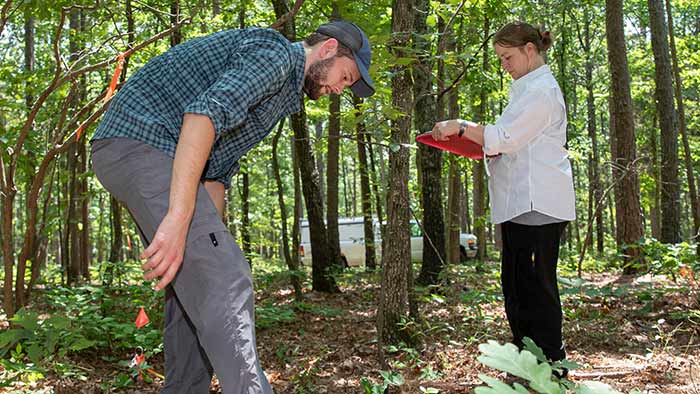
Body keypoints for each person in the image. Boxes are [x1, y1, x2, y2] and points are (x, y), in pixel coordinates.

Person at [90, 20, 375, 393]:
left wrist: (210, 244)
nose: (340, 89)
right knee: (226, 279)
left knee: (197, 284)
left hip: (144, 150)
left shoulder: (279, 95)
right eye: (346, 75)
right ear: (327, 49)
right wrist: (179, 222)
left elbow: (214, 174)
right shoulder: (275, 55)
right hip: (142, 140)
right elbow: (202, 115)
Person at [431, 21, 576, 372]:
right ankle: (528, 359)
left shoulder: (542, 91)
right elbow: (507, 143)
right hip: (518, 203)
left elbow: (508, 137)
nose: (504, 65)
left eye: (508, 57)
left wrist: (462, 127)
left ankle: (552, 364)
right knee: (515, 284)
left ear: (530, 49)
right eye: (499, 59)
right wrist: (477, 142)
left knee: (537, 286)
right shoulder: (525, 90)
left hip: (538, 201)